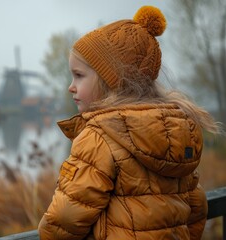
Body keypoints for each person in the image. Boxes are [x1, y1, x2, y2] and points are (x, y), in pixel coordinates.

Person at [38, 5, 221, 240]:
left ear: (110, 80)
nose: (70, 86)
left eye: (79, 75)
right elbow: (197, 207)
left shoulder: (100, 136)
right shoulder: (180, 129)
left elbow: (64, 219)